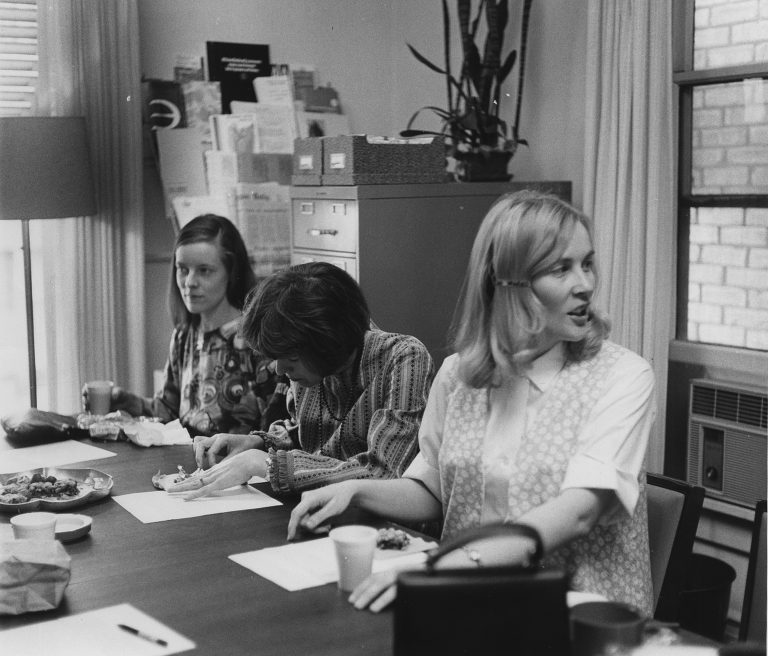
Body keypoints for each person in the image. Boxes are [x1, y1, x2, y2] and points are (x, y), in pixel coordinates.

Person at [287, 190, 656, 616]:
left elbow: (577, 514)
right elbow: (432, 491)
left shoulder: (623, 376)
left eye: (587, 264)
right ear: (507, 284)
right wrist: (353, 490)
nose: (586, 285)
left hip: (576, 620)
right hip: (464, 603)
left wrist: (437, 569)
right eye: (562, 269)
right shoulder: (458, 376)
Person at [167, 261, 435, 496]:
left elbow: (383, 473)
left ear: (330, 343)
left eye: (290, 359)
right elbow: (306, 435)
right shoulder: (309, 360)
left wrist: (267, 465)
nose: (279, 371)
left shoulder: (404, 359)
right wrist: (259, 443)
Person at [83, 214, 288, 436]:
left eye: (204, 270)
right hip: (185, 464)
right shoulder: (184, 336)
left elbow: (276, 431)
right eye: (183, 269)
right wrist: (126, 403)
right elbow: (169, 413)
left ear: (231, 272)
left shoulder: (256, 339)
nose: (189, 282)